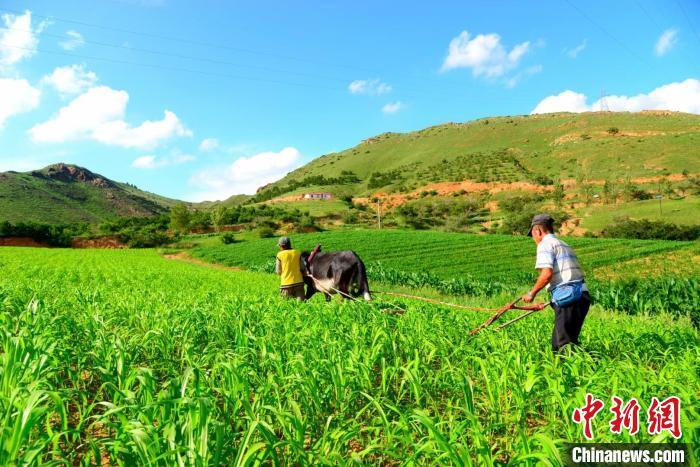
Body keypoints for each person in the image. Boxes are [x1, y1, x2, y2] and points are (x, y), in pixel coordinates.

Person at [522, 214, 590, 352]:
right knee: (569, 341)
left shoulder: (545, 245)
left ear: (538, 231)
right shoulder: (563, 244)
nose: (534, 239)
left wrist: (531, 293)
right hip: (581, 295)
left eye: (533, 235)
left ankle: (564, 372)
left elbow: (546, 274)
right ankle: (582, 367)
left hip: (569, 297)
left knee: (560, 345)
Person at [275, 236, 306, 300]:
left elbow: (278, 271)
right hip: (299, 283)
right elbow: (303, 268)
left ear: (282, 246)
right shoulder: (297, 252)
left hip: (286, 284)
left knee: (286, 306)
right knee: (301, 306)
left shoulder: (279, 255)